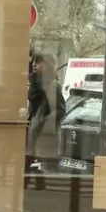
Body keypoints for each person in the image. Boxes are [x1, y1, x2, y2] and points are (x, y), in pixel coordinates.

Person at [26, 51, 66, 190]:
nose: (34, 64)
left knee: (43, 164)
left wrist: (44, 121)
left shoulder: (52, 84)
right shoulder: (35, 83)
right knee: (31, 161)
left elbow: (60, 110)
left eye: (37, 62)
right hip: (33, 129)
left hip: (44, 133)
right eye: (33, 62)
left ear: (46, 65)